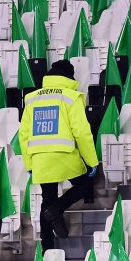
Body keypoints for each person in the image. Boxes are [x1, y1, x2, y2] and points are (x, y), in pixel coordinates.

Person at [18, 59, 99, 249]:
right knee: (85, 185)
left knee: (47, 198)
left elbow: (23, 135)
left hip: (40, 157)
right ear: (69, 77)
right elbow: (82, 131)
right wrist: (91, 161)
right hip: (64, 154)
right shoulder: (71, 96)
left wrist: (29, 163)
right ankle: (57, 209)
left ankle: (47, 248)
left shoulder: (32, 98)